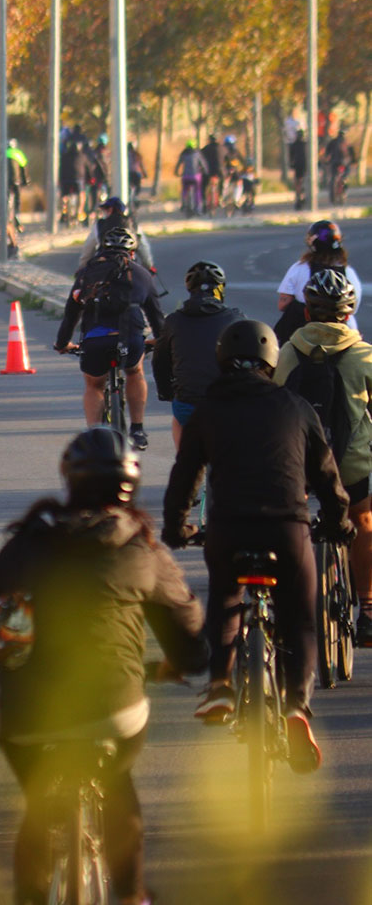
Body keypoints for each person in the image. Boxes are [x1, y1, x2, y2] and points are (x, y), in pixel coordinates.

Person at [0, 427, 209, 905]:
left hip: (30, 715)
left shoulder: (30, 543)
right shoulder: (142, 549)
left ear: (69, 479)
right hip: (116, 707)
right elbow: (189, 630)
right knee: (118, 787)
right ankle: (129, 895)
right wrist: (180, 662)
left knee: (39, 805)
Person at [162, 319, 353, 772]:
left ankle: (221, 686)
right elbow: (327, 476)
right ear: (271, 361)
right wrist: (339, 521)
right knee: (300, 621)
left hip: (228, 529)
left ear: (221, 359)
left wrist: (177, 528)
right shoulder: (297, 406)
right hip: (288, 529)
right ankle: (295, 708)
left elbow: (185, 477)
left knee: (226, 598)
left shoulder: (208, 410)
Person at [273, 269, 372, 648]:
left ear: (308, 313)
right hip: (350, 464)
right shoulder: (364, 356)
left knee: (289, 526)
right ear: (348, 314)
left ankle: (288, 609)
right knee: (363, 520)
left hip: (297, 461)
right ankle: (367, 608)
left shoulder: (287, 353)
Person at [54, 227, 165, 451]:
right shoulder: (142, 274)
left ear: (101, 250)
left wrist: (63, 343)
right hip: (130, 339)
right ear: (132, 253)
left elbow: (71, 313)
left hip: (95, 341)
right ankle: (137, 429)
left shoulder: (86, 273)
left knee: (94, 384)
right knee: (135, 371)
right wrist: (159, 339)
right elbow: (156, 315)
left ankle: (94, 438)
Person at [152, 262, 244, 449]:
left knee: (179, 420)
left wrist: (167, 393)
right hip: (226, 403)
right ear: (220, 289)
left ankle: (186, 467)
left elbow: (160, 362)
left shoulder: (174, 321)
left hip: (188, 402)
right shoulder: (235, 319)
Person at [275, 220, 363, 344]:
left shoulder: (299, 268)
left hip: (304, 334)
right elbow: (353, 307)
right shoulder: (349, 273)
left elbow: (283, 304)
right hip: (344, 334)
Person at [77, 196, 155, 272]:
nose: (104, 212)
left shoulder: (100, 225)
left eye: (106, 209)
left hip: (104, 266)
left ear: (111, 210)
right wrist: (148, 266)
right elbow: (143, 248)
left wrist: (82, 267)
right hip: (129, 265)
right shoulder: (133, 224)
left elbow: (88, 249)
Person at [59, 139, 91, 225]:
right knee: (81, 195)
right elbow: (88, 169)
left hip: (65, 180)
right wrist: (91, 178)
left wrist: (60, 179)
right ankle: (79, 212)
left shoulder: (64, 156)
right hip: (78, 179)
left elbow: (60, 168)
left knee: (64, 196)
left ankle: (64, 210)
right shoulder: (83, 156)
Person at [174, 140, 208, 215]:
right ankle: (198, 209)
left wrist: (176, 172)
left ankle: (184, 203)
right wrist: (205, 171)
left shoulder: (184, 154)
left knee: (184, 190)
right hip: (196, 176)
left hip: (185, 176)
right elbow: (203, 164)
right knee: (197, 191)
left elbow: (178, 164)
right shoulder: (197, 154)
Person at [324, 129, 356, 204]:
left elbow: (327, 152)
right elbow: (351, 154)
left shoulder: (333, 142)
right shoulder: (346, 142)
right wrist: (353, 161)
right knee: (343, 178)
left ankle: (337, 192)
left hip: (335, 163)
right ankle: (343, 190)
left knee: (334, 177)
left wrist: (327, 160)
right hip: (343, 164)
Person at [6, 138, 30, 230]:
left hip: (6, 182)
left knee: (6, 199)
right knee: (17, 200)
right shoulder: (18, 153)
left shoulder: (3, 153)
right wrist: (26, 180)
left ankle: (7, 217)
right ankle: (17, 216)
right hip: (16, 181)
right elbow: (23, 168)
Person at [200, 134, 226, 207]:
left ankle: (203, 199)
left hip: (208, 171)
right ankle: (220, 197)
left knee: (203, 184)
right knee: (223, 183)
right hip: (220, 171)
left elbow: (200, 159)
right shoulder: (222, 148)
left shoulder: (205, 149)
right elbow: (227, 158)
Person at [289, 129, 308, 209]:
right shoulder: (305, 144)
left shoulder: (294, 144)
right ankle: (300, 195)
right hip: (304, 165)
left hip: (297, 165)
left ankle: (298, 195)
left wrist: (291, 165)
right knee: (301, 181)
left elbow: (291, 157)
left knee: (298, 182)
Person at [127, 141, 147, 207]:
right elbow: (141, 166)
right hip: (136, 174)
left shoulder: (124, 155)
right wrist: (145, 174)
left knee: (128, 188)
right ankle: (136, 197)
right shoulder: (137, 155)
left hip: (128, 175)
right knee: (137, 188)